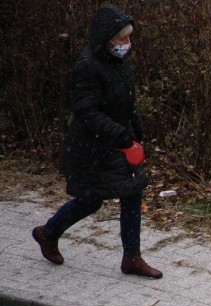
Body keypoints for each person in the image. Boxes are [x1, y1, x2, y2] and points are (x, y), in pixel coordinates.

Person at [32, 4, 162, 279]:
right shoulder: (88, 67)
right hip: (90, 149)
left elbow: (125, 100)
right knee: (90, 201)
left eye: (129, 37)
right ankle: (48, 232)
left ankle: (132, 257)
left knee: (132, 191)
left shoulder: (119, 61)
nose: (127, 44)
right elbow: (86, 112)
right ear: (107, 38)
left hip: (117, 143)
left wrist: (135, 127)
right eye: (122, 38)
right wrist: (119, 133)